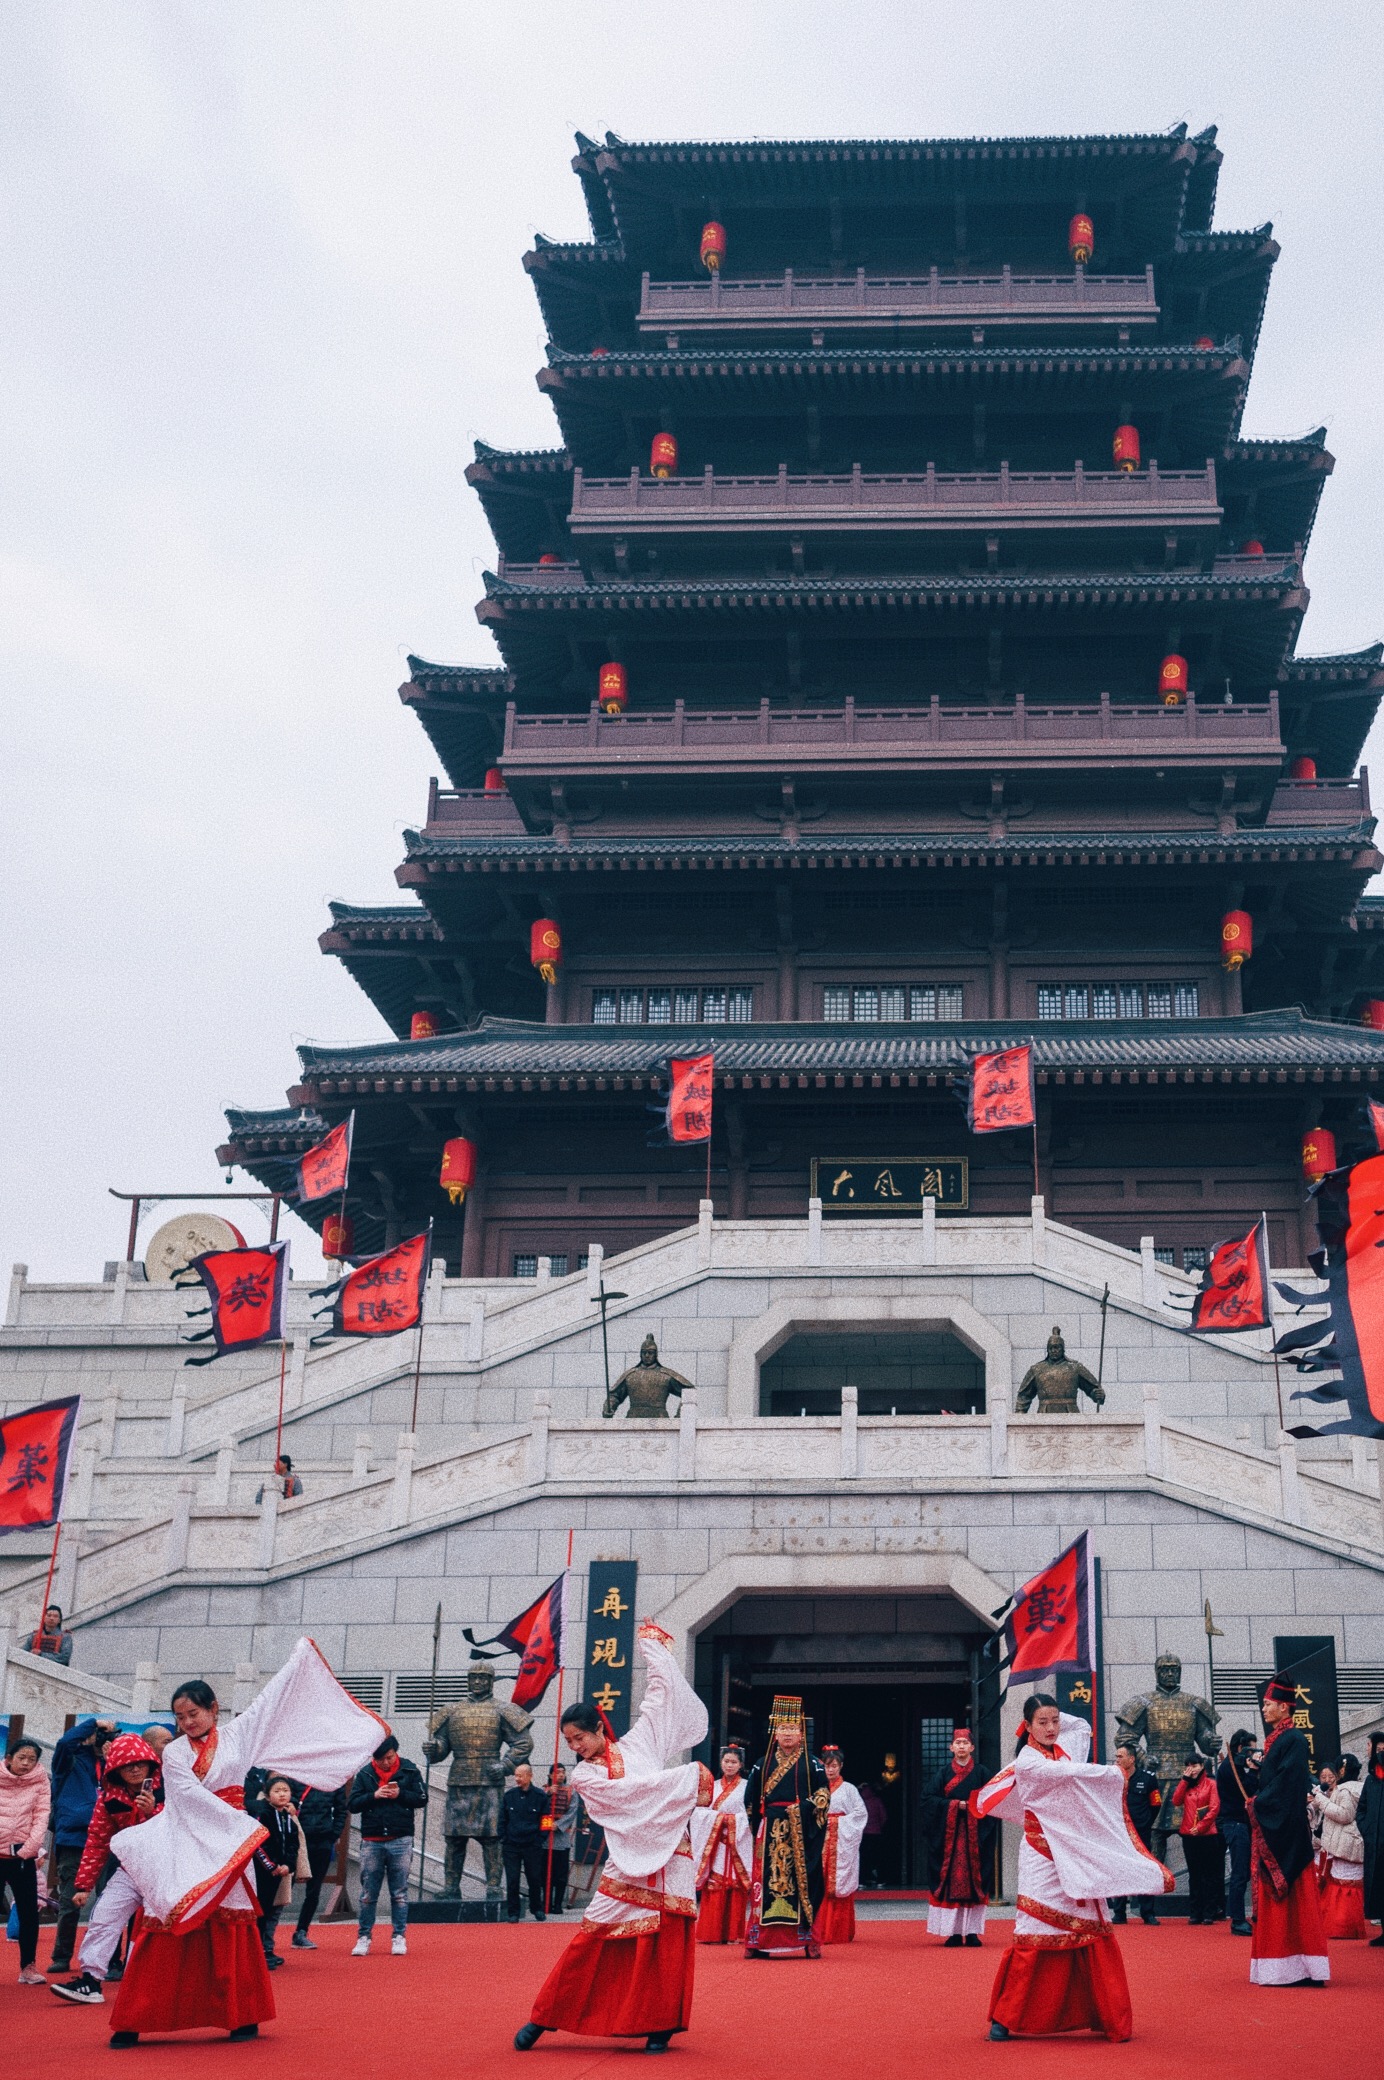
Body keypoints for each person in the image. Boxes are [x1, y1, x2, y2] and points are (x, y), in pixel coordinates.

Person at [51, 1637, 384, 2045]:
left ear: (213, 1709)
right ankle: (135, 2017)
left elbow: (271, 1703)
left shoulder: (239, 1736)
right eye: (179, 1716)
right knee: (166, 1920)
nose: (187, 1722)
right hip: (189, 1839)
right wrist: (242, 1827)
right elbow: (188, 1799)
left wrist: (296, 1663)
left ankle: (241, 2016)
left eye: (193, 1713)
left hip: (228, 1846)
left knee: (231, 1925)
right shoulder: (173, 1753)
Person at [516, 1620, 710, 2055]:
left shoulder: (641, 1744)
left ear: (599, 1727)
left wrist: (653, 1649)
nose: (576, 1747)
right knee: (593, 1932)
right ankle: (545, 2017)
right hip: (629, 1858)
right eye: (569, 1741)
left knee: (668, 1937)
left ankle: (659, 2026)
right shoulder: (586, 1777)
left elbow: (660, 1701)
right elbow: (632, 1795)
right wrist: (687, 1778)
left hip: (671, 1854)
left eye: (580, 1737)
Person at [975, 1693, 1172, 2042]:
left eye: (1054, 1721)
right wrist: (1112, 1772)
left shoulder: (1064, 1743)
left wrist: (1049, 1710)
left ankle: (1108, 2015)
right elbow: (1069, 1771)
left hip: (1073, 1851)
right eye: (1042, 1723)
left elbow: (1081, 1725)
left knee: (1092, 1931)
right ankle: (1005, 2018)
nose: (1052, 1728)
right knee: (1034, 1931)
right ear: (1028, 1727)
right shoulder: (1029, 1762)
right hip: (1041, 1855)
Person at [1247, 1672, 1329, 1986]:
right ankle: (1289, 1967)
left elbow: (1287, 1783)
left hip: (1287, 1831)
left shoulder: (1292, 1739)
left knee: (1292, 1898)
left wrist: (1257, 1802)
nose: (1264, 1710)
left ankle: (1300, 1968)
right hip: (1278, 1827)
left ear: (1284, 1708)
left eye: (1268, 1705)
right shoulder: (1279, 1740)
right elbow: (1276, 1779)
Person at [742, 1696, 830, 1959]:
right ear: (775, 1733)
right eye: (783, 1729)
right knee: (764, 1883)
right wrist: (759, 1823)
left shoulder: (812, 1763)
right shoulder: (762, 1763)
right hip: (770, 1829)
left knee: (801, 1882)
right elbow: (750, 1799)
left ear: (801, 1734)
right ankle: (759, 1941)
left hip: (799, 1831)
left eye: (793, 1729)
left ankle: (806, 1939)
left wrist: (802, 1809)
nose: (788, 1734)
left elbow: (823, 1793)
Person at [71, 1733, 161, 1979]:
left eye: (139, 1763)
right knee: (104, 1916)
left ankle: (141, 1979)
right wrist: (84, 1885)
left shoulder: (170, 1787)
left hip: (166, 1869)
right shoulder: (108, 1799)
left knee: (154, 1926)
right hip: (130, 1868)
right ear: (116, 1769)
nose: (134, 1769)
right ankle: (90, 1978)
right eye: (126, 1766)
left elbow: (183, 1825)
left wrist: (153, 1812)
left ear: (150, 1763)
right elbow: (97, 1842)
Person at [47, 1715, 117, 1974]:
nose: (103, 1741)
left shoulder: (114, 1767)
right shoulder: (71, 1760)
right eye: (101, 1736)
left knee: (110, 1902)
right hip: (75, 1839)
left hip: (108, 1840)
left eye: (108, 1737)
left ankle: (110, 1960)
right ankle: (62, 1956)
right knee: (69, 1901)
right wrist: (94, 1723)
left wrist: (112, 1761)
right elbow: (65, 1743)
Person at [349, 1733, 426, 1957]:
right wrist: (374, 1795)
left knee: (400, 1892)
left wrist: (400, 1794)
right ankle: (364, 1936)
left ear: (396, 1753)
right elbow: (352, 1804)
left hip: (401, 1837)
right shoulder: (365, 1773)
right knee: (367, 1893)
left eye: (390, 1757)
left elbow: (422, 1798)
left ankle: (399, 1936)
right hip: (372, 1839)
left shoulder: (410, 1769)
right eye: (381, 1759)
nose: (386, 1763)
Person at [923, 1727, 993, 1946]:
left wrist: (973, 1808)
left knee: (974, 1882)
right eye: (958, 1743)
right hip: (950, 1840)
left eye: (965, 1743)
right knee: (952, 1884)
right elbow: (928, 1800)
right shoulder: (943, 1773)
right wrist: (955, 1805)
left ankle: (971, 1932)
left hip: (975, 1837)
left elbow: (992, 1800)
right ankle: (953, 1932)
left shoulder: (982, 1772)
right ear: (951, 1747)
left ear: (972, 1747)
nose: (961, 1746)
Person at [0, 1736, 50, 1985]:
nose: (26, 1763)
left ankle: (28, 1967)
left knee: (29, 1912)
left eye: (32, 1759)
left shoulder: (41, 1781)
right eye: (21, 1758)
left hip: (24, 1856)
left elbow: (42, 1815)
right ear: (8, 1759)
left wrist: (30, 1849)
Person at [689, 1745, 751, 1944]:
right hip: (715, 1843)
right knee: (715, 1885)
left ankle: (734, 1933)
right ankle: (712, 1933)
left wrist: (731, 1822)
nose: (730, 1765)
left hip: (737, 1843)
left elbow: (750, 1815)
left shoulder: (747, 1787)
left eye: (734, 1762)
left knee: (735, 1885)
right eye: (726, 1761)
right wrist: (719, 1820)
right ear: (721, 1763)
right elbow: (699, 1813)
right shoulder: (712, 1786)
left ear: (741, 1764)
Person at [814, 1746, 867, 1945]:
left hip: (841, 1841)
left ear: (841, 1766)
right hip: (820, 1840)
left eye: (834, 1766)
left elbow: (860, 1815)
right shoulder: (815, 1788)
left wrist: (836, 1824)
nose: (830, 1770)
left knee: (839, 1883)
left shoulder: (849, 1789)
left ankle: (838, 1931)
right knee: (818, 1882)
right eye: (827, 1766)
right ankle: (818, 1929)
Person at [252, 1777, 307, 1969]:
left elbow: (294, 1844)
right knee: (261, 1911)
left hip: (281, 1872)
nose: (282, 1794)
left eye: (285, 1790)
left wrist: (288, 1865)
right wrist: (272, 1865)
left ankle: (266, 1950)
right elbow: (258, 1844)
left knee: (271, 1911)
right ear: (268, 1795)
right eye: (277, 1791)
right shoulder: (263, 1814)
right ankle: (257, 1953)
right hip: (263, 1872)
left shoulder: (289, 1818)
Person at [1106, 1741, 1163, 1926]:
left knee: (1144, 1870)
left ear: (1131, 1759)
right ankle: (1119, 1912)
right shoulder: (1113, 1778)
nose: (1117, 1759)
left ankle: (1148, 1912)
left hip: (1141, 1832)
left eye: (1120, 1756)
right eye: (1116, 1756)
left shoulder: (1147, 1778)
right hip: (1119, 1832)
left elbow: (1156, 1804)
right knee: (1120, 1869)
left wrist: (1145, 1823)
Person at [291, 1778, 349, 1949]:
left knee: (314, 1890)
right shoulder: (297, 1778)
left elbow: (341, 1811)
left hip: (323, 1840)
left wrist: (333, 1834)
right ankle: (266, 1934)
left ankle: (302, 1931)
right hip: (298, 1840)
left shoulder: (332, 1781)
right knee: (283, 1886)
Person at [1312, 1754, 1366, 1940]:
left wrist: (1321, 1800)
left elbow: (1344, 1815)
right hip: (1352, 1840)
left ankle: (1342, 1927)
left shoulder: (1345, 1791)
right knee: (1348, 1884)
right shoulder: (1360, 1788)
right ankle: (1349, 1926)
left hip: (1346, 1842)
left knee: (1343, 1885)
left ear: (1341, 1771)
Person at [1216, 1729, 1260, 1935]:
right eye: (1250, 1749)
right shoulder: (1231, 1767)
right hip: (1235, 1824)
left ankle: (1242, 1916)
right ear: (1241, 1747)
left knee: (1245, 1872)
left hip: (1243, 1824)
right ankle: (1237, 1919)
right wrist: (1252, 1771)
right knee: (1240, 1872)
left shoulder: (1238, 1765)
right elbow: (1248, 1791)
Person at [1173, 1754, 1222, 1923]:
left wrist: (1200, 1827)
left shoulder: (1211, 1784)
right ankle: (1195, 1913)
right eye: (1188, 1766)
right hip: (1188, 1835)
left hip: (1207, 1835)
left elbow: (1214, 1809)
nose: (1191, 1769)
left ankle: (1209, 1912)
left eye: (1194, 1765)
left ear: (1202, 1766)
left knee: (1208, 1874)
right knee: (1194, 1875)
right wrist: (1184, 1780)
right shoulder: (1186, 1785)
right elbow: (1176, 1800)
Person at [499, 1762, 550, 1923]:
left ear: (530, 1776)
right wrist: (503, 1838)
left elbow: (547, 1820)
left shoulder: (541, 1796)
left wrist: (541, 1839)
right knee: (512, 1880)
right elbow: (502, 1819)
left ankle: (537, 1909)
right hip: (511, 1845)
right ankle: (513, 1912)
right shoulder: (509, 1796)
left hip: (532, 1845)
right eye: (516, 1775)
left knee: (534, 1878)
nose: (517, 1779)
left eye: (520, 1776)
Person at [1357, 1729, 1384, 1943]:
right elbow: (1362, 1809)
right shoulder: (1371, 1780)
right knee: (1378, 1887)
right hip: (1374, 1842)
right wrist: (1366, 1829)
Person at [544, 1765, 578, 1913]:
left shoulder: (571, 1792)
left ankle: (557, 1904)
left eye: (563, 1773)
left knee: (561, 1875)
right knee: (545, 1874)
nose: (561, 1775)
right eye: (557, 1773)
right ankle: (546, 1903)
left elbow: (572, 1812)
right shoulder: (543, 1790)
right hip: (545, 1839)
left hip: (562, 1837)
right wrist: (548, 1795)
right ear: (551, 1775)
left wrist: (558, 1825)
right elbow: (539, 1809)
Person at [859, 1779, 887, 1886]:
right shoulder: (877, 1801)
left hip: (864, 1833)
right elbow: (884, 1816)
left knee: (863, 1858)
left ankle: (862, 1880)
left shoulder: (860, 1801)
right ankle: (880, 1879)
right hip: (876, 1833)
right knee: (878, 1857)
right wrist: (879, 1826)